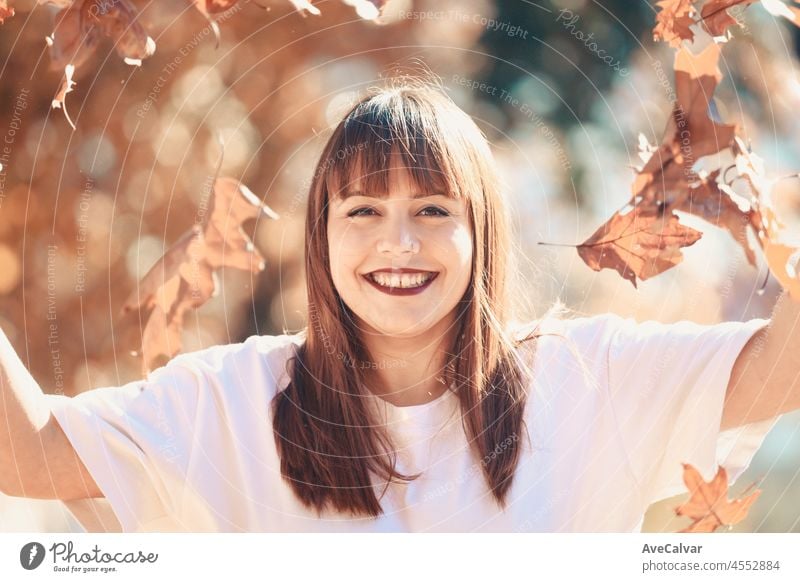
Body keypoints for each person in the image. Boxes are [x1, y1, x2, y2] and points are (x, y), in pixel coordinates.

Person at [1, 80, 797, 533]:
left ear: (481, 232)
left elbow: (774, 371)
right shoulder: (230, 398)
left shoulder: (586, 378)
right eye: (363, 212)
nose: (399, 244)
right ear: (321, 237)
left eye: (432, 211)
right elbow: (27, 456)